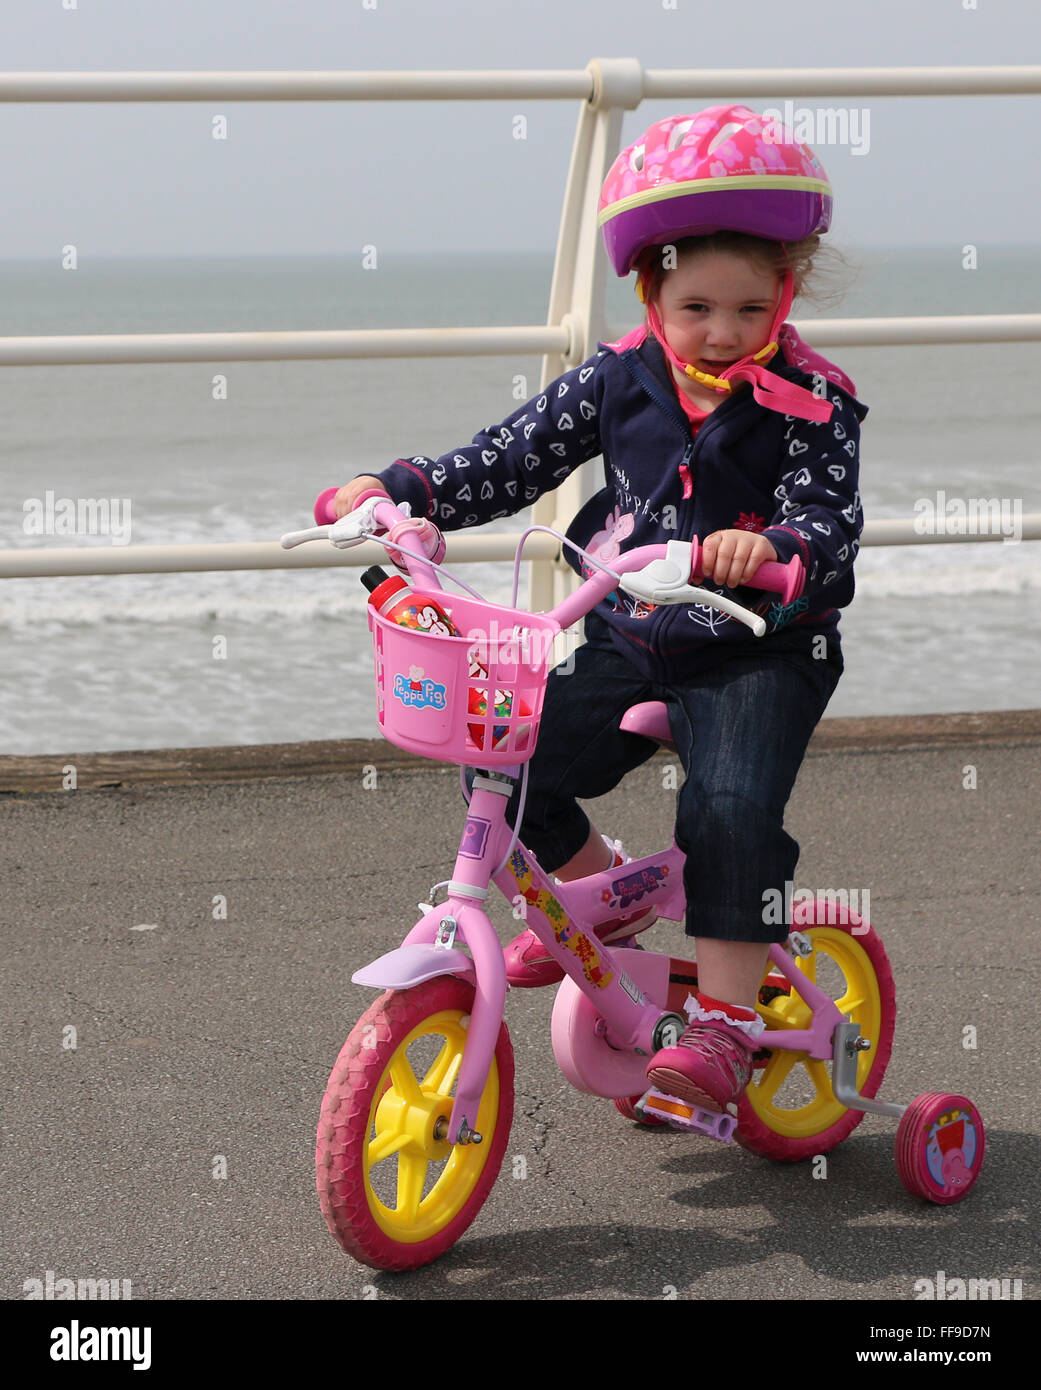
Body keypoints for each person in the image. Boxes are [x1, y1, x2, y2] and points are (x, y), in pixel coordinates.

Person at [333, 105, 866, 1115]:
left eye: (750, 310)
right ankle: (603, 901)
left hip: (761, 647)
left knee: (727, 810)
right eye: (696, 306)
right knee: (512, 761)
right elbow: (512, 454)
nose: (722, 332)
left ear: (786, 295)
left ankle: (724, 1022)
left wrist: (779, 551)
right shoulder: (620, 381)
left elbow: (829, 519)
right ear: (651, 289)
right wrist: (404, 492)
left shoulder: (814, 400)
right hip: (635, 630)